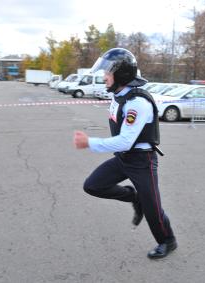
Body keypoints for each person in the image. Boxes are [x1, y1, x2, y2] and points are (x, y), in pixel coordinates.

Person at [74, 48, 177, 259]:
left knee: (153, 210)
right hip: (123, 158)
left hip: (142, 161)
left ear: (121, 75)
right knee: (92, 185)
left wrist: (89, 143)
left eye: (107, 73)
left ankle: (168, 241)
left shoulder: (137, 103)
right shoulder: (119, 95)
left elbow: (126, 140)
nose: (103, 77)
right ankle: (133, 196)